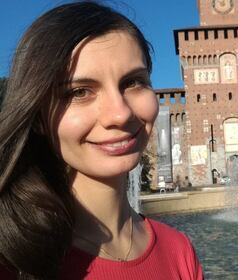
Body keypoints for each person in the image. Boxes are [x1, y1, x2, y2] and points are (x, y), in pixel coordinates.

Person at [0, 1, 204, 279]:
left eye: (133, 82)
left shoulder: (179, 250)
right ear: (37, 118)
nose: (119, 114)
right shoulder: (11, 260)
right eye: (79, 92)